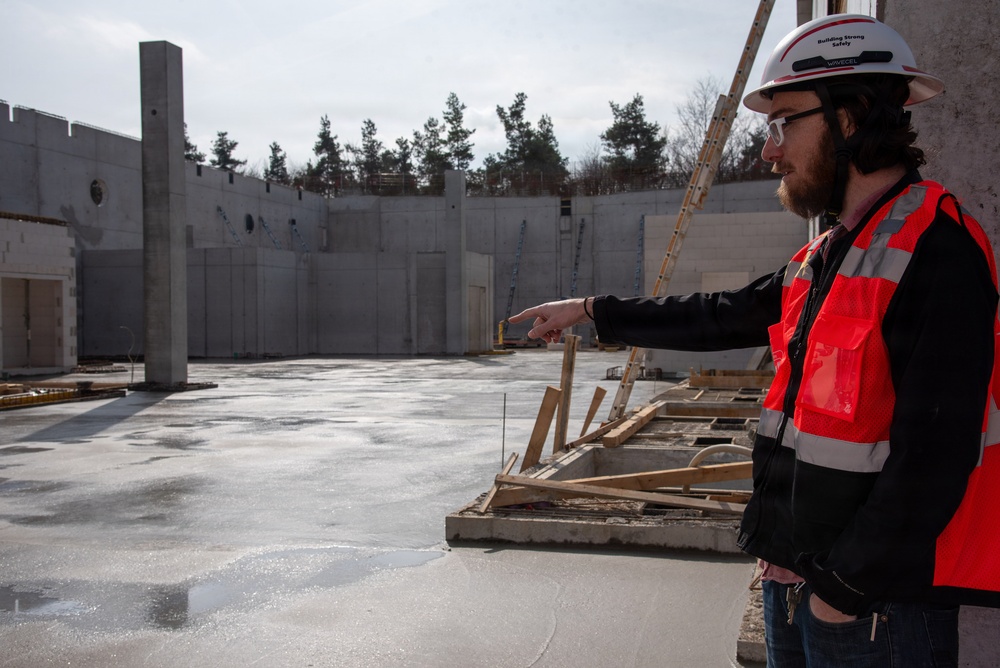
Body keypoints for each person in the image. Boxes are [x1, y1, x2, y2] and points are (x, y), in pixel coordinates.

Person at [509, 14, 1000, 667]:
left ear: (850, 118)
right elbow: (721, 316)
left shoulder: (938, 248)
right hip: (795, 579)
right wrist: (592, 309)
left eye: (784, 123)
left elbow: (937, 454)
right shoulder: (827, 255)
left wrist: (844, 591)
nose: (770, 150)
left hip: (871, 609)